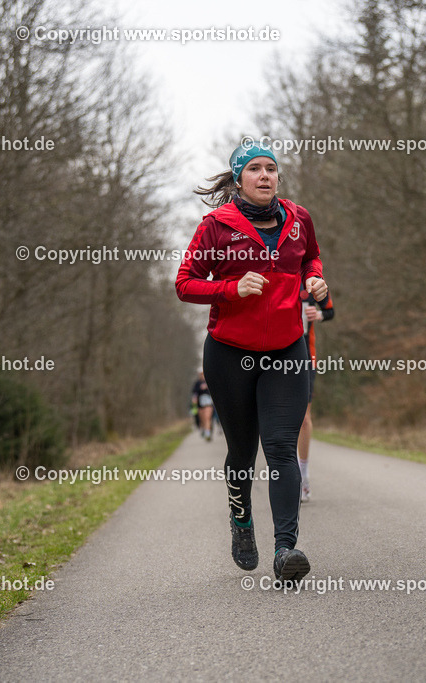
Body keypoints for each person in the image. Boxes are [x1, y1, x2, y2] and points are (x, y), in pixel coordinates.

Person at [176, 140, 328, 581]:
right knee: (242, 452)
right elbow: (185, 284)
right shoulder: (216, 226)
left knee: (280, 447)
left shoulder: (298, 219)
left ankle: (286, 550)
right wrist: (229, 289)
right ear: (238, 178)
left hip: (286, 348)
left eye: (271, 169)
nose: (265, 175)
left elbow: (311, 260)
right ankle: (242, 524)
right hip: (230, 353)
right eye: (255, 169)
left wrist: (315, 280)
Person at [297, 282, 334, 502]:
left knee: (303, 418)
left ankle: (303, 477)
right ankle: (285, 475)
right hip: (272, 357)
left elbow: (330, 310)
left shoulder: (311, 282)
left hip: (305, 356)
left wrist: (318, 314)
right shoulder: (270, 272)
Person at [190, 371, 214, 440]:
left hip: (208, 403)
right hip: (200, 404)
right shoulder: (197, 383)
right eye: (201, 375)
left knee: (207, 418)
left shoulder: (208, 382)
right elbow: (194, 393)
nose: (202, 376)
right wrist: (194, 399)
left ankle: (208, 434)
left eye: (203, 375)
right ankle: (204, 429)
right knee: (202, 419)